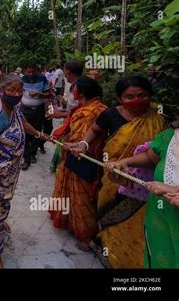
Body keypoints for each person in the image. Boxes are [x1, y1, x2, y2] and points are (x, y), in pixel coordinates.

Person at [69, 76, 168, 268]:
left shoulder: (160, 117)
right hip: (114, 177)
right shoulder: (110, 114)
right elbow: (95, 130)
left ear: (150, 95)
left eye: (142, 95)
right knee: (110, 216)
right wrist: (83, 144)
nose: (136, 100)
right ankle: (110, 252)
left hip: (147, 183)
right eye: (129, 96)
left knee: (140, 226)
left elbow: (163, 150)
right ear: (119, 97)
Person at [0, 73, 51, 268]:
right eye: (11, 90)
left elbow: (22, 123)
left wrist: (40, 134)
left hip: (8, 169)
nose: (16, 94)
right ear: (1, 91)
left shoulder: (13, 107)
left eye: (20, 90)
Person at [107, 117, 179, 268]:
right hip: (159, 222)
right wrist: (126, 162)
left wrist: (172, 190)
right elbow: (150, 157)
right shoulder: (169, 137)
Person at [49, 77, 107, 251]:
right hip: (74, 156)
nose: (72, 92)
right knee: (71, 194)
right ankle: (71, 223)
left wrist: (71, 143)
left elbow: (84, 138)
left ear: (79, 92)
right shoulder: (87, 109)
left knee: (83, 198)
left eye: (74, 89)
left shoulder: (94, 111)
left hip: (86, 159)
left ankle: (87, 236)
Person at [20, 63, 51, 170]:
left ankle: (33, 154)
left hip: (39, 109)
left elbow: (49, 94)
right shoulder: (22, 80)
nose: (31, 74)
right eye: (29, 72)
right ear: (25, 71)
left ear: (36, 71)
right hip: (25, 110)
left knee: (37, 132)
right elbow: (18, 93)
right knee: (26, 134)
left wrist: (39, 94)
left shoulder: (42, 79)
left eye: (33, 72)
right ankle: (26, 159)